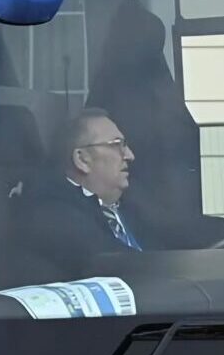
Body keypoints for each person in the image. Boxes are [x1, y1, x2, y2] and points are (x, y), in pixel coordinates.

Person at [12, 107, 145, 282]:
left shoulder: (134, 205)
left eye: (125, 145)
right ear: (82, 159)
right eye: (116, 145)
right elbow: (124, 266)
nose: (130, 155)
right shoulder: (54, 216)